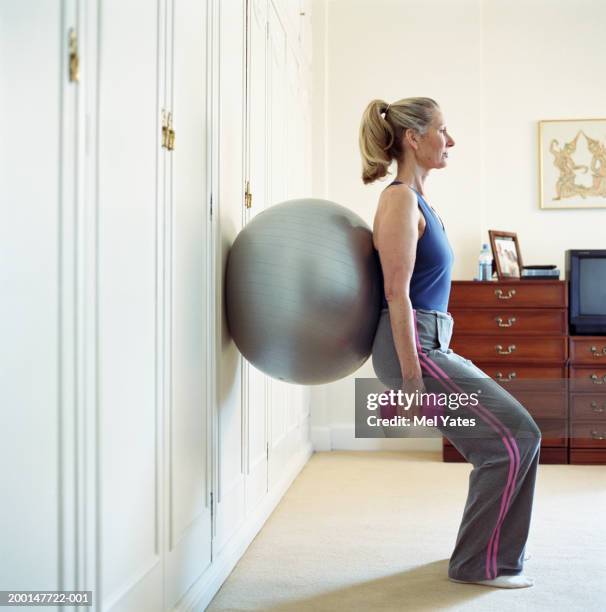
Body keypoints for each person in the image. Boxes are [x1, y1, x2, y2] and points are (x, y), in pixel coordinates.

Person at [358, 97, 542, 589]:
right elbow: (396, 293)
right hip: (417, 348)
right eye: (444, 129)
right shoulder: (398, 199)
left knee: (519, 438)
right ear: (414, 138)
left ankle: (498, 558)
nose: (451, 140)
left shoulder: (420, 202)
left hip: (436, 342)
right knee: (512, 441)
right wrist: (412, 377)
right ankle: (475, 565)